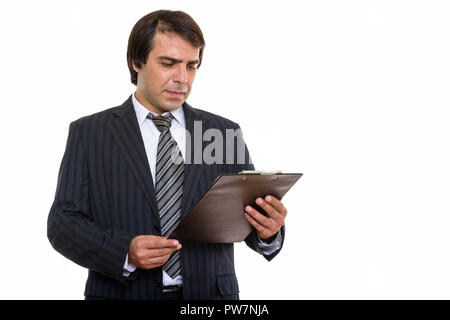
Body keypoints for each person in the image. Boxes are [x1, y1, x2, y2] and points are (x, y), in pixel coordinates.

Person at [47, 9, 288, 300]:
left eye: (191, 66)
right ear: (137, 62)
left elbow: (245, 220)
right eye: (169, 64)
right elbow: (63, 224)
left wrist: (268, 232)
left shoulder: (223, 132)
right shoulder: (89, 133)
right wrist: (124, 251)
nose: (182, 79)